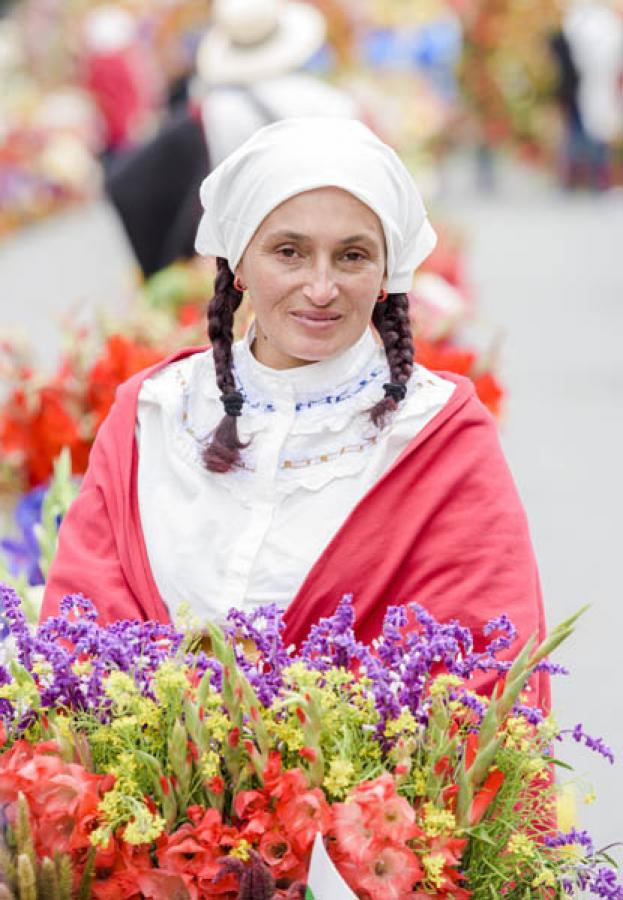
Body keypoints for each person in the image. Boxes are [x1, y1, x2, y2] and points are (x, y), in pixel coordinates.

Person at [42, 118, 548, 707]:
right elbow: (77, 627)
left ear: (387, 272)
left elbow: (483, 674)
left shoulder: (438, 436)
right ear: (239, 261)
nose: (321, 287)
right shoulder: (152, 414)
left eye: (353, 256)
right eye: (289, 252)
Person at [105, 0, 357, 278]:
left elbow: (125, 180)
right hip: (325, 237)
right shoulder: (330, 102)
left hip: (246, 243)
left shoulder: (212, 109)